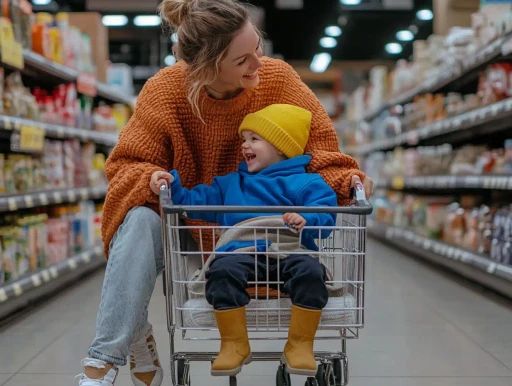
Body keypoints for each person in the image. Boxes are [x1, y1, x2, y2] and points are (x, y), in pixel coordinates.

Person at [76, 0, 373, 385]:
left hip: (275, 232)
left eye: (258, 48)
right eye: (242, 60)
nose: (258, 64)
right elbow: (127, 165)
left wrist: (347, 179)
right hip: (189, 228)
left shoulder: (278, 79)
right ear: (206, 67)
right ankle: (103, 361)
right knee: (138, 217)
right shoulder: (165, 92)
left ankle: (135, 332)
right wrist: (152, 177)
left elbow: (321, 150)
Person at [161, 103, 341, 377]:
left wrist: (308, 220)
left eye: (254, 139)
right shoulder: (231, 184)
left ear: (281, 147)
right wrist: (172, 188)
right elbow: (195, 201)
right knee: (221, 271)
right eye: (244, 139)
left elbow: (325, 213)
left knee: (311, 272)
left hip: (289, 250)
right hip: (240, 250)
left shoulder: (307, 183)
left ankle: (300, 344)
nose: (245, 145)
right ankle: (234, 344)